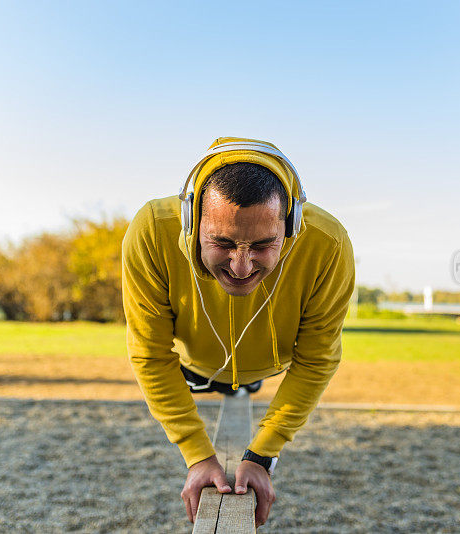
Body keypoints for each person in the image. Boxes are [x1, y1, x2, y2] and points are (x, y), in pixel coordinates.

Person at [121, 137, 355, 527]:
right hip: (195, 364)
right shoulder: (150, 231)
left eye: (263, 245)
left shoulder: (328, 244)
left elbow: (317, 359)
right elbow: (151, 353)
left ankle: (245, 382)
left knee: (248, 384)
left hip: (269, 363)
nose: (241, 267)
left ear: (292, 226)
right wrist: (197, 454)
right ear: (190, 222)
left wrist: (263, 454)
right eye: (222, 242)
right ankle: (217, 380)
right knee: (206, 380)